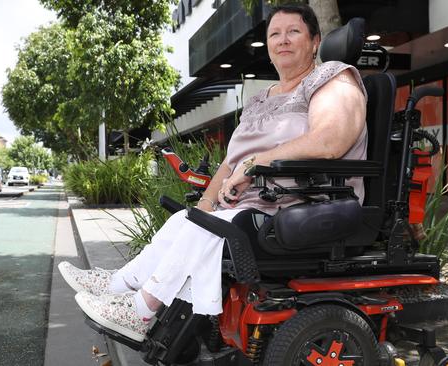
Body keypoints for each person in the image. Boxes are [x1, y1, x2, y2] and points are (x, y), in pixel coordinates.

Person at [58, 3, 367, 342]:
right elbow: (232, 161)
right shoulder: (260, 98)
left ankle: (140, 312)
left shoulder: (332, 76)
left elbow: (329, 141)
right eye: (274, 34)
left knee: (207, 229)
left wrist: (257, 163)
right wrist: (207, 200)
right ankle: (118, 286)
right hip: (255, 201)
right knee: (187, 220)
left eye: (293, 31)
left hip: (306, 201)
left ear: (314, 41)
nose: (283, 40)